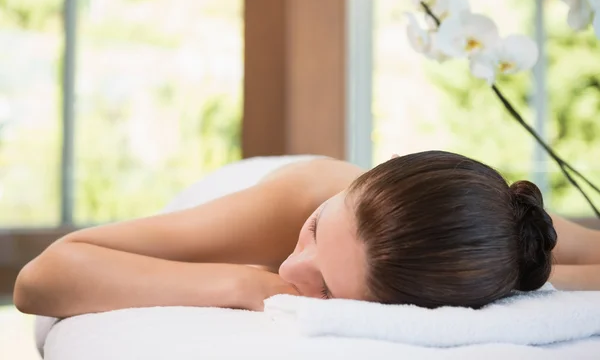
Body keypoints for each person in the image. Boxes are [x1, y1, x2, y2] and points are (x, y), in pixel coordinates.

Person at [13, 151, 600, 318]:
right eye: (316, 235)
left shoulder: (497, 232)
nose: (294, 271)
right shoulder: (299, 203)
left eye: (323, 288)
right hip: (272, 188)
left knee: (561, 276)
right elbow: (40, 278)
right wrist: (245, 282)